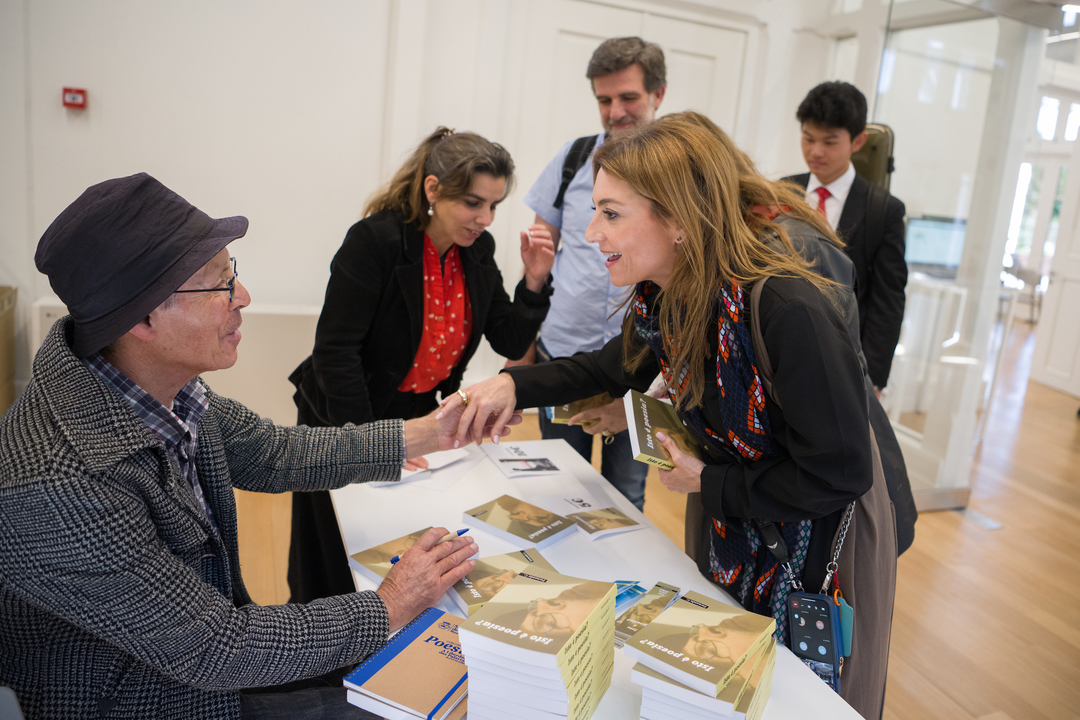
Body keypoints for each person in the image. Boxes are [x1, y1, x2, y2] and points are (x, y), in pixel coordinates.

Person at [0, 173, 515, 720]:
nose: (242, 297)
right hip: (150, 701)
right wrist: (390, 603)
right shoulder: (56, 485)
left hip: (206, 660)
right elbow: (215, 649)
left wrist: (433, 430)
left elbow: (271, 453)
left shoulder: (157, 388)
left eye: (234, 274)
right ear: (143, 317)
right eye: (219, 283)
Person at [445, 113, 897, 719]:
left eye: (610, 213)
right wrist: (509, 383)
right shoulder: (673, 294)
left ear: (679, 219)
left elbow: (837, 474)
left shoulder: (789, 307)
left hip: (816, 547)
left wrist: (708, 483)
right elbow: (610, 368)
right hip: (739, 519)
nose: (588, 232)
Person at [287, 127, 554, 603]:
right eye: (473, 203)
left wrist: (534, 282)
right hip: (343, 412)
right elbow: (336, 352)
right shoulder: (376, 241)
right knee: (332, 549)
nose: (485, 218)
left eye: (493, 205)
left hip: (417, 411)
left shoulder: (478, 251)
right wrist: (370, 441)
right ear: (433, 190)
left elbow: (510, 338)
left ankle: (386, 638)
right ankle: (316, 650)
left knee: (392, 541)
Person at [509, 36, 668, 511]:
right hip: (564, 356)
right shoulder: (574, 160)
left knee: (626, 497)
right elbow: (539, 259)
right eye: (604, 99)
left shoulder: (673, 173)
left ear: (658, 94)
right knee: (559, 493)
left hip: (640, 369)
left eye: (628, 97)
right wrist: (523, 350)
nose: (615, 111)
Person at [786, 81, 908, 393]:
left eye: (829, 142)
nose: (815, 151)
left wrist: (874, 381)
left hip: (843, 362)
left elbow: (887, 302)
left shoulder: (883, 211)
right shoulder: (783, 192)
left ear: (858, 141)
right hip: (782, 350)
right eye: (808, 138)